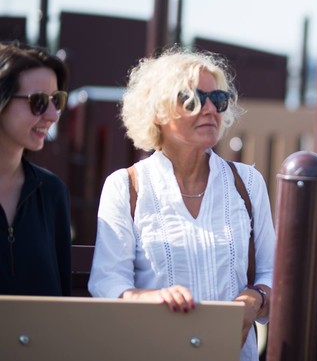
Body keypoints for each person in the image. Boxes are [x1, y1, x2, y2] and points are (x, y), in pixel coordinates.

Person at [89, 48, 275, 361]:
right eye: (192, 99)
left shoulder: (248, 183)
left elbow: (273, 273)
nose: (209, 109)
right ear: (157, 112)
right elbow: (107, 281)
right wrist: (151, 299)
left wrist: (254, 298)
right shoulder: (125, 186)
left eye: (218, 99)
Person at [0, 41, 71, 296]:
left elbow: (62, 300)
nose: (53, 115)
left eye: (57, 100)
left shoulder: (52, 191)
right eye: (38, 101)